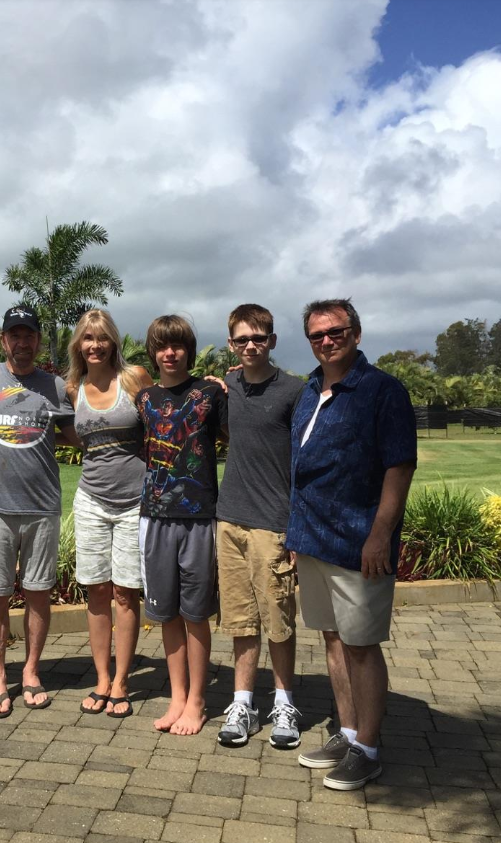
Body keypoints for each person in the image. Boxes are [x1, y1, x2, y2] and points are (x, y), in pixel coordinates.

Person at [287, 298, 416, 790]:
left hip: (359, 540)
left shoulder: (382, 391)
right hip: (313, 538)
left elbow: (399, 466)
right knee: (333, 638)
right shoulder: (309, 391)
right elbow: (301, 469)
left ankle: (368, 745)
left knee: (361, 645)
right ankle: (346, 731)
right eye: (316, 335)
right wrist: (296, 533)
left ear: (355, 334)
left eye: (335, 332)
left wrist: (380, 534)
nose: (326, 341)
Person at [0, 305, 77, 718]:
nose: (22, 342)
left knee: (38, 593)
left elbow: (76, 435)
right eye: (14, 334)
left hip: (42, 506)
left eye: (29, 335)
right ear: (3, 339)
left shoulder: (55, 386)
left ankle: (31, 671)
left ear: (38, 341)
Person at [214, 304, 305, 750]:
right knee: (240, 620)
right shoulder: (228, 384)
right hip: (229, 518)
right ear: (231, 343)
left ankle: (285, 702)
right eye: (242, 339)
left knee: (279, 620)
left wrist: (295, 527)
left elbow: (305, 462)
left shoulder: (293, 391)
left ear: (272, 340)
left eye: (259, 338)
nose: (251, 346)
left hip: (273, 523)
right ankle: (243, 703)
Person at [136, 315, 226, 736]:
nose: (169, 353)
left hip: (198, 518)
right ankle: (176, 697)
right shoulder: (145, 398)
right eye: (162, 346)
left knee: (195, 614)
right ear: (153, 352)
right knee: (166, 613)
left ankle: (197, 701)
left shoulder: (210, 393)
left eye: (177, 345)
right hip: (154, 518)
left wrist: (230, 380)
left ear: (188, 349)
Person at [65, 309, 153, 719]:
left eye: (102, 338)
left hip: (135, 501)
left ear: (113, 341)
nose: (95, 345)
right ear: (78, 345)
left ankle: (122, 681)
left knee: (125, 591)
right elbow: (70, 434)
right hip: (91, 501)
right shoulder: (73, 387)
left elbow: (165, 416)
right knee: (96, 590)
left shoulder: (134, 378)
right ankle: (101, 678)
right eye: (87, 338)